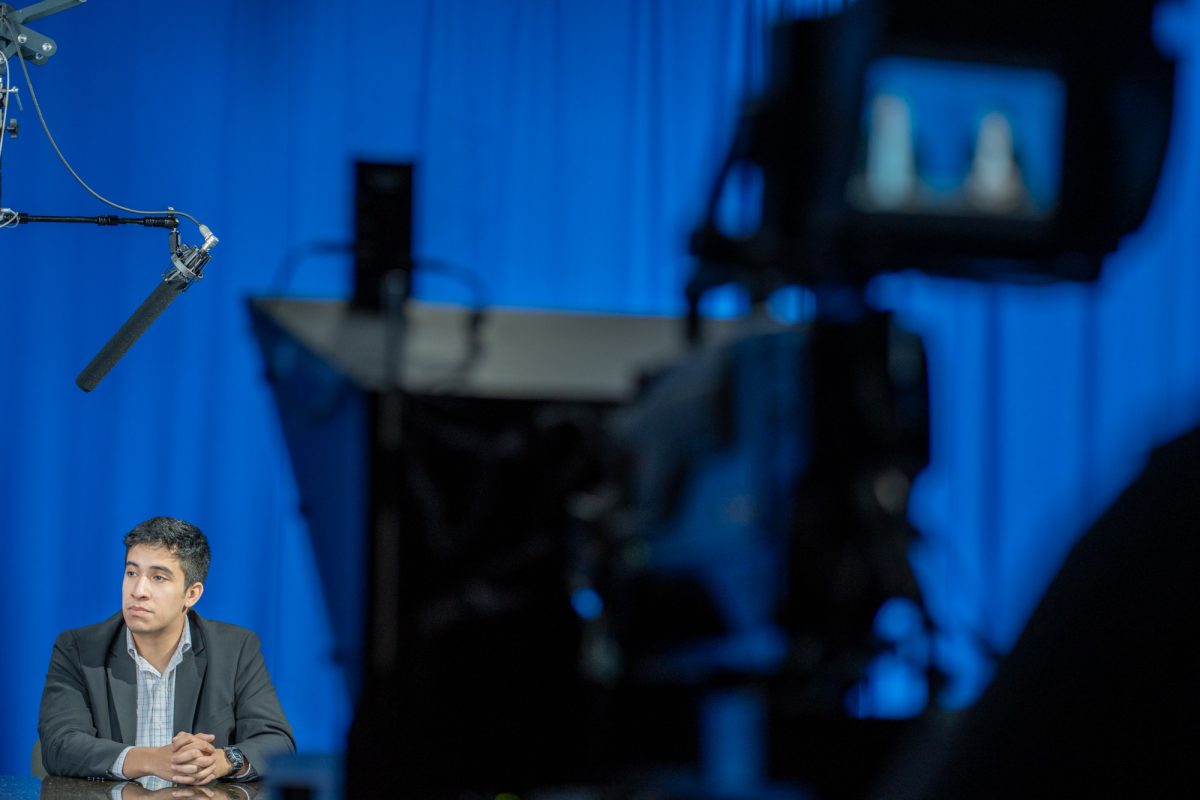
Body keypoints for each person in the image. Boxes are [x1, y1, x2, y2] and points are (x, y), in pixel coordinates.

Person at [38, 517, 295, 784]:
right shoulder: (79, 649)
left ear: (191, 594)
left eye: (158, 577)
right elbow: (59, 744)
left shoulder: (235, 649)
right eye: (132, 573)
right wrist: (151, 760)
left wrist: (222, 760)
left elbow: (277, 742)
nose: (139, 590)